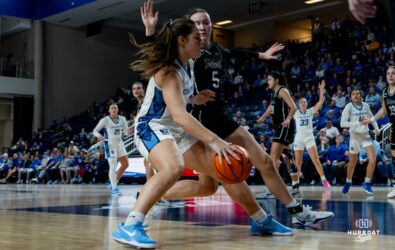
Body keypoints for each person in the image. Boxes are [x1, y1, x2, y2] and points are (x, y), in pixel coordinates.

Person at [140, 0, 333, 226]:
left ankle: (299, 214)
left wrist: (263, 55)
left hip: (221, 117)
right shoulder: (188, 54)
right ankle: (151, 195)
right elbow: (160, 59)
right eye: (197, 24)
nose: (202, 27)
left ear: (212, 26)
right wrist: (150, 32)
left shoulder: (217, 50)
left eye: (206, 23)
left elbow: (238, 53)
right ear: (188, 31)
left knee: (261, 164)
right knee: (212, 184)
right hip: (200, 123)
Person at [112, 18, 294, 249]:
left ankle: (261, 221)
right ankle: (130, 225)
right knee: (174, 166)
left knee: (218, 175)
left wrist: (194, 98)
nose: (202, 41)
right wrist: (215, 140)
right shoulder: (169, 71)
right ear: (182, 41)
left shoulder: (186, 64)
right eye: (196, 38)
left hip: (174, 128)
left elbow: (177, 100)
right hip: (151, 126)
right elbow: (179, 115)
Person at [257, 71, 299, 196]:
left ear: (276, 80)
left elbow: (294, 107)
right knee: (287, 156)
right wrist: (263, 117)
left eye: (269, 79)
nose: (267, 81)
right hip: (279, 127)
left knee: (273, 157)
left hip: (284, 127)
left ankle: (272, 189)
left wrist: (287, 119)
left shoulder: (282, 91)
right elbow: (271, 107)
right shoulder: (275, 93)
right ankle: (295, 185)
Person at [364, 66, 395, 198]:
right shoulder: (384, 92)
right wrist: (372, 119)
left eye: (393, 73)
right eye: (388, 73)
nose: (390, 76)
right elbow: (384, 110)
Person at [292, 80, 331, 191]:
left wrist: (321, 89)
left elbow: (321, 101)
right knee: (298, 163)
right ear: (298, 105)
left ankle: (324, 180)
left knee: (316, 160)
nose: (303, 103)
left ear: (307, 104)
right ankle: (296, 183)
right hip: (298, 139)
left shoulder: (310, 111)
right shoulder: (295, 112)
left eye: (305, 102)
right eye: (301, 102)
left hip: (309, 138)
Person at [340, 89, 379, 195]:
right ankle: (348, 181)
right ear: (351, 97)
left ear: (361, 95)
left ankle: (367, 182)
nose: (356, 95)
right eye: (353, 94)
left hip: (365, 135)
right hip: (354, 136)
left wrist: (376, 128)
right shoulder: (349, 106)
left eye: (357, 93)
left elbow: (371, 117)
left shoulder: (366, 105)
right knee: (352, 163)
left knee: (373, 160)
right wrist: (358, 123)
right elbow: (342, 123)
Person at [93, 103, 133, 196]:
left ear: (118, 110)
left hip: (120, 143)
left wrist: (129, 132)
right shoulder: (105, 120)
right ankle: (115, 188)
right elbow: (94, 131)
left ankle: (113, 182)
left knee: (125, 164)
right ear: (109, 110)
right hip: (110, 143)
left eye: (116, 108)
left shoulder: (122, 118)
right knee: (113, 165)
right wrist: (99, 136)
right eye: (112, 108)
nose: (114, 109)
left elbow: (126, 131)